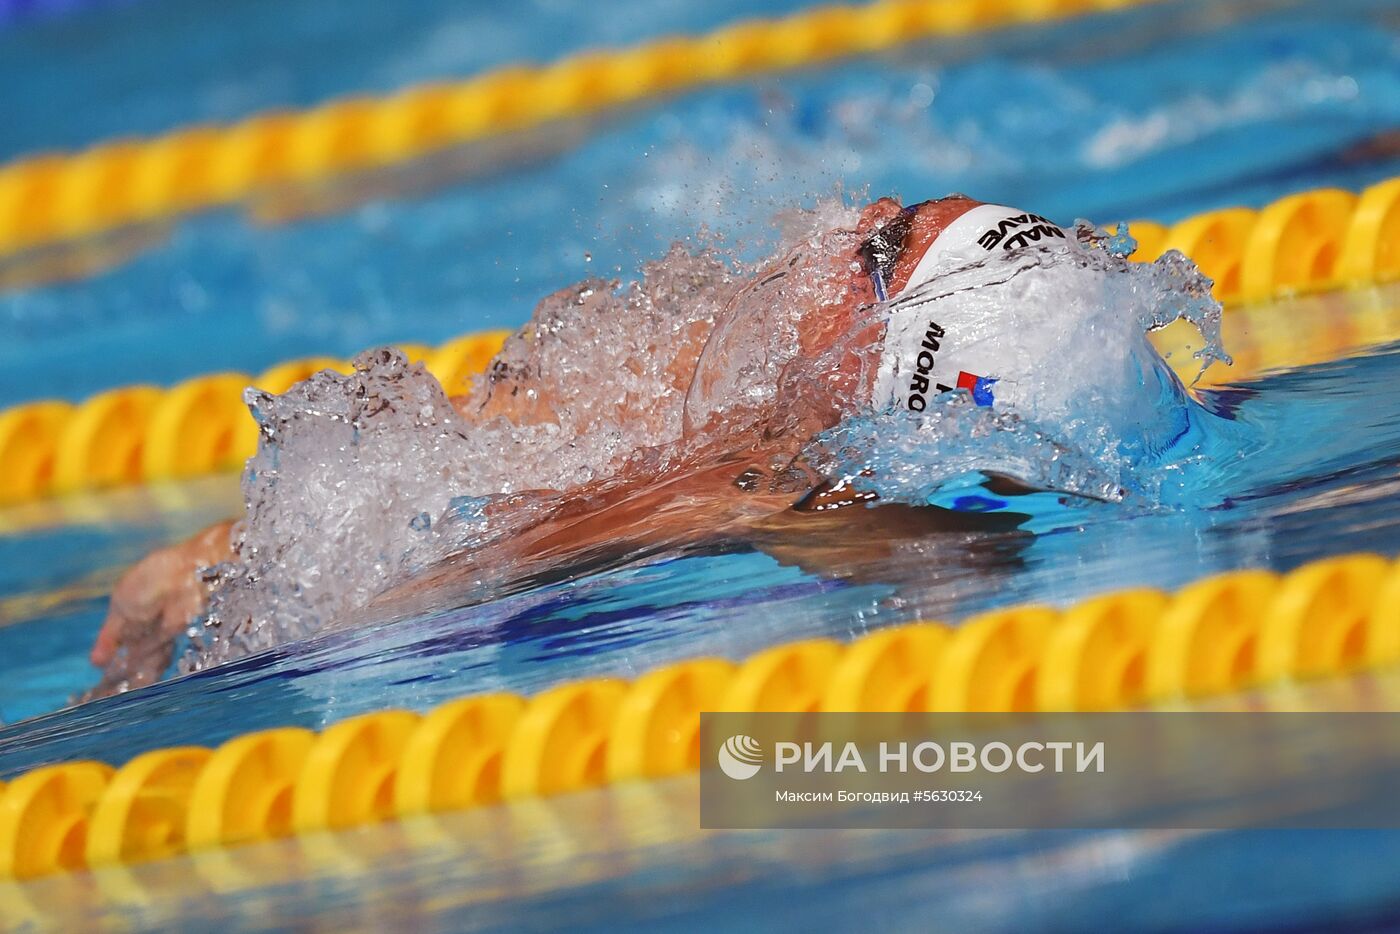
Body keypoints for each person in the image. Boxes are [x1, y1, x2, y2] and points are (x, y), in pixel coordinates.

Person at [89, 195, 1085, 694]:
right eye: (896, 218)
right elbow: (406, 577)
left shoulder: (754, 456)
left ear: (871, 353)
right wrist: (219, 574)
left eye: (878, 248)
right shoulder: (736, 420)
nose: (855, 220)